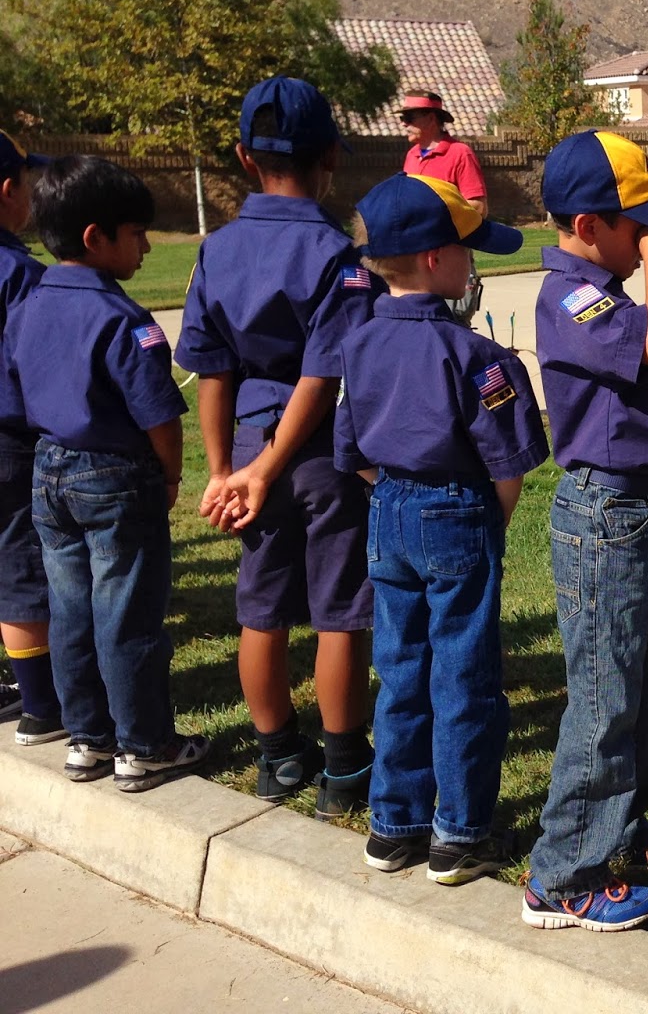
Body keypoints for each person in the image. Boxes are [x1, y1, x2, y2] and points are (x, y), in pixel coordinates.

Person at [333, 172, 548, 884]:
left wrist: (397, 499)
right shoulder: (480, 357)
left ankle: (393, 825)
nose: (474, 263)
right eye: (467, 250)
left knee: (400, 671)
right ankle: (459, 832)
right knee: (464, 677)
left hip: (386, 507)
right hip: (458, 511)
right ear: (433, 259)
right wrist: (486, 523)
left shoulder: (358, 346)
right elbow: (509, 465)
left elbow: (351, 452)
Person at [176, 77, 379, 817]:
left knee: (259, 610)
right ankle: (345, 766)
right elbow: (323, 374)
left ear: (241, 156)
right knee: (338, 613)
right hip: (320, 456)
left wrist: (229, 468)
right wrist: (268, 467)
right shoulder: (337, 253)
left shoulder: (217, 248)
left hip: (254, 448)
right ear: (329, 155)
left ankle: (276, 755)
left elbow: (212, 369)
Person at [521, 130, 648, 932]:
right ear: (591, 224)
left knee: (638, 683)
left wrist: (647, 255)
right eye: (640, 229)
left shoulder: (599, 286)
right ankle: (562, 877)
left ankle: (622, 826)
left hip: (638, 505)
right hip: (607, 513)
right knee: (602, 695)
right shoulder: (571, 296)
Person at [0, 156, 208, 790]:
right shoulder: (126, 321)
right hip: (115, 476)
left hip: (47, 470)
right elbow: (160, 418)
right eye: (137, 233)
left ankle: (86, 738)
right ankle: (143, 744)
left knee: (70, 610)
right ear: (97, 237)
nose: (146, 246)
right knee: (127, 615)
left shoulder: (29, 305)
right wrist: (170, 478)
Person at [0, 131, 63, 746]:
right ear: (6, 191)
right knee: (19, 566)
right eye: (26, 181)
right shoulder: (18, 273)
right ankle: (42, 705)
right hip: (7, 438)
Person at [399, 90, 486, 327]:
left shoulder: (459, 154)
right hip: (416, 259)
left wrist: (437, 228)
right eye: (402, 118)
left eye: (410, 117)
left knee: (452, 325)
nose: (404, 124)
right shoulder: (411, 157)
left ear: (432, 119)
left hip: (449, 261)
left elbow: (478, 207)